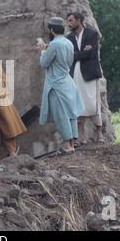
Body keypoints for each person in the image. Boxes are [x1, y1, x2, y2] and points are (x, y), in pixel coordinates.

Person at [36, 17, 84, 155]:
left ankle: (67, 145)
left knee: (61, 115)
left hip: (56, 85)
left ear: (51, 30)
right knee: (70, 113)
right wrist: (47, 48)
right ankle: (71, 143)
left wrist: (42, 51)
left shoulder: (54, 44)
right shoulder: (68, 42)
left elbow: (44, 63)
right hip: (67, 81)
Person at [66, 12, 104, 145]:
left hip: (90, 72)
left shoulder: (91, 33)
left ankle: (99, 133)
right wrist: (82, 53)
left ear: (79, 20)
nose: (69, 23)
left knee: (94, 102)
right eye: (68, 21)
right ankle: (82, 136)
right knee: (78, 102)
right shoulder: (69, 37)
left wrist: (78, 54)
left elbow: (91, 53)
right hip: (75, 74)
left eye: (71, 20)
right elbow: (70, 56)